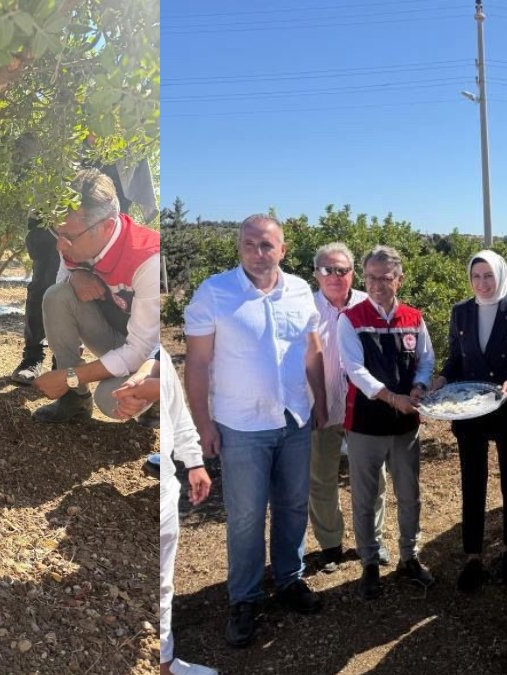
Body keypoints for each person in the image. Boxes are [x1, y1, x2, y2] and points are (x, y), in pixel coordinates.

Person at [183, 214, 326, 648]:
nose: (258, 253)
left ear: (282, 249)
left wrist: (320, 402)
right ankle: (244, 599)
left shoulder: (301, 291)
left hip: (294, 419)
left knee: (293, 505)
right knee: (245, 517)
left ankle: (288, 579)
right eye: (250, 245)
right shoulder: (215, 292)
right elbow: (197, 363)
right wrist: (203, 424)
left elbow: (312, 349)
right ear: (239, 248)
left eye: (267, 245)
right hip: (242, 424)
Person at [432, 250, 507, 591]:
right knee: (472, 483)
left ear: (500, 276)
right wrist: (441, 380)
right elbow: (456, 360)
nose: (482, 283)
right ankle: (473, 556)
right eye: (476, 276)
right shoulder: (460, 311)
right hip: (471, 411)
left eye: (488, 276)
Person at [338, 245, 436, 600]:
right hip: (365, 423)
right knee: (366, 496)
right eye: (372, 278)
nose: (378, 284)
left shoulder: (413, 317)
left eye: (386, 277)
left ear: (399, 279)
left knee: (409, 493)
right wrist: (393, 397)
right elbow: (355, 370)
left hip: (405, 425)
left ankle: (409, 556)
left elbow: (426, 358)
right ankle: (369, 562)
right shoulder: (351, 318)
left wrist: (420, 384)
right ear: (365, 278)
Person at [32, 168, 160, 424]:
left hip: (152, 355)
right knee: (56, 296)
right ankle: (74, 401)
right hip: (117, 337)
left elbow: (141, 349)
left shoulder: (150, 260)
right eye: (58, 234)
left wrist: (69, 375)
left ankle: (157, 398)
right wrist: (75, 276)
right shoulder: (74, 239)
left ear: (106, 227)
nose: (60, 245)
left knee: (110, 399)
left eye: (67, 237)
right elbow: (63, 292)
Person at [308, 241, 388, 574]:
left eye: (342, 270)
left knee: (373, 478)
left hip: (364, 410)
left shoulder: (370, 307)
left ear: (352, 273)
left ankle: (373, 539)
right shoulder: (304, 310)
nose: (335, 276)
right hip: (321, 409)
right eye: (328, 269)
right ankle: (330, 545)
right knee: (321, 478)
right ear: (316, 274)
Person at [157, 349, 217, 675]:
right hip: (159, 488)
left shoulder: (162, 357)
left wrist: (193, 461)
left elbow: (177, 413)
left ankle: (164, 662)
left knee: (164, 583)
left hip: (167, 488)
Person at [10, 213, 67, 385]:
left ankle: (62, 363)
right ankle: (32, 358)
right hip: (45, 230)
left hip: (76, 231)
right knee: (38, 294)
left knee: (67, 294)